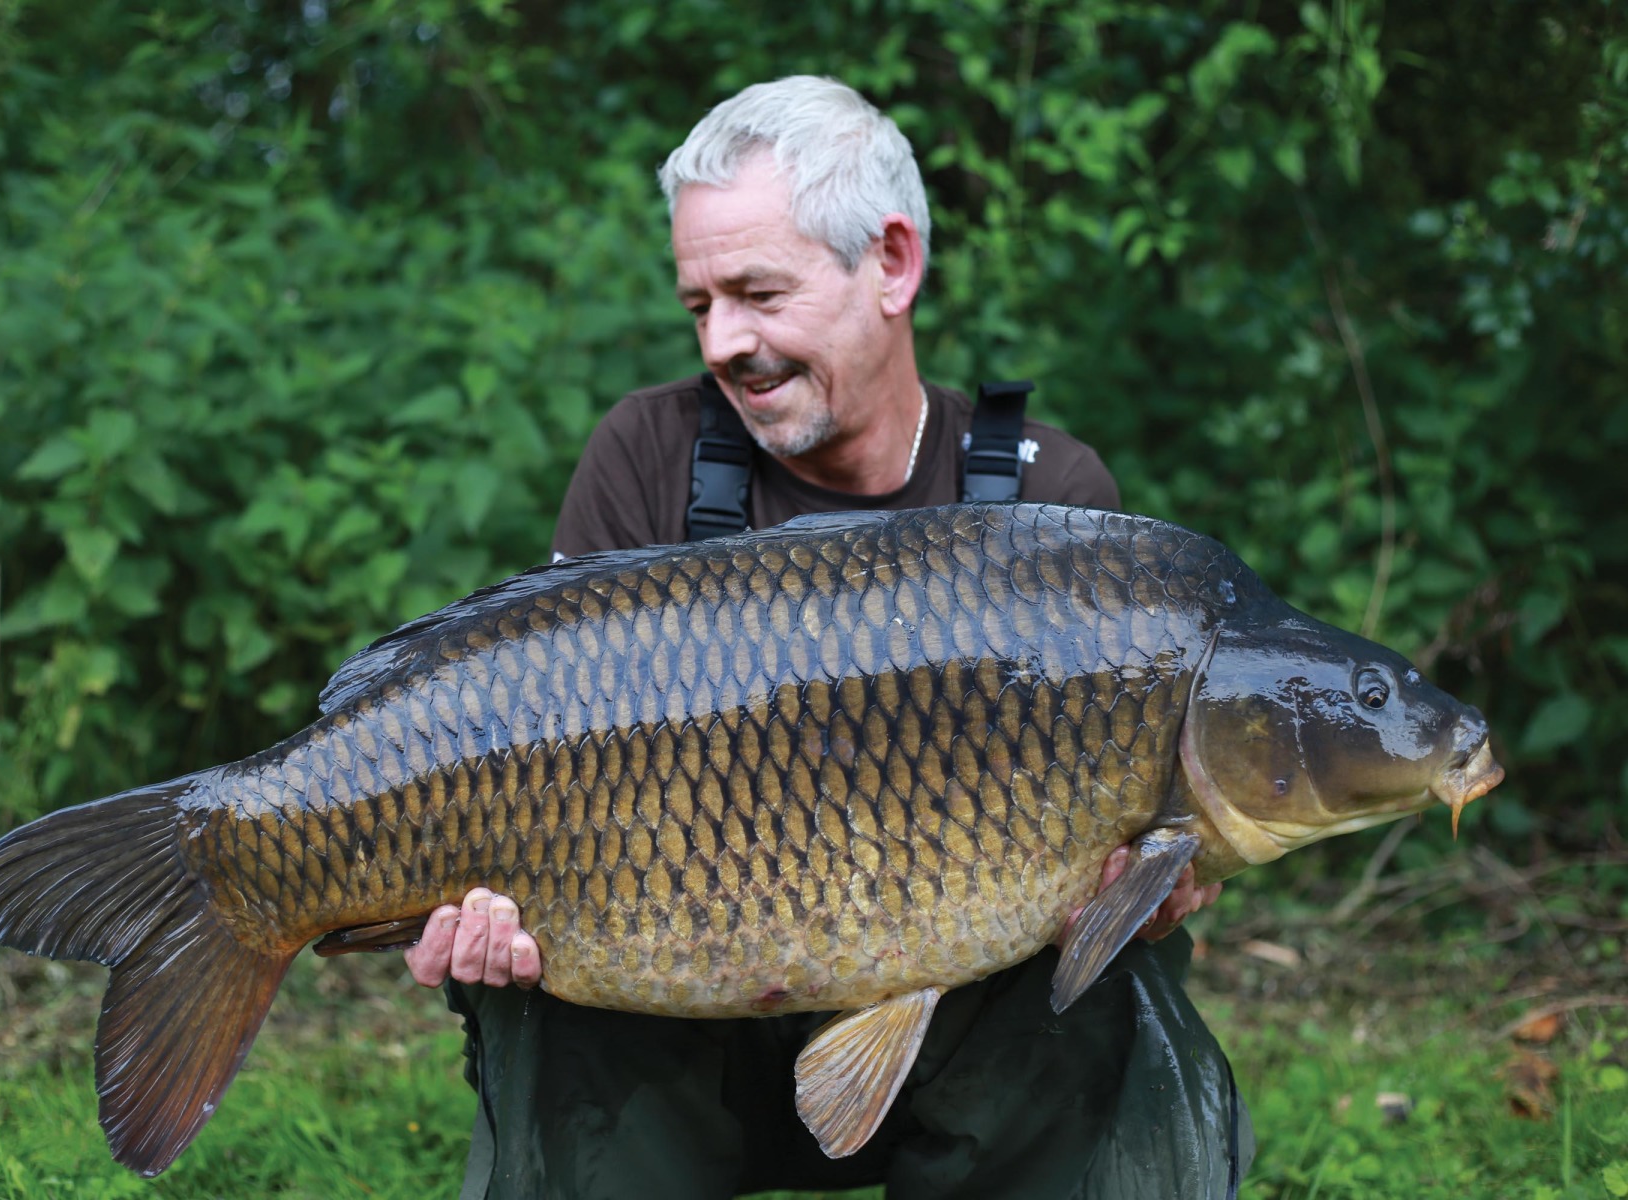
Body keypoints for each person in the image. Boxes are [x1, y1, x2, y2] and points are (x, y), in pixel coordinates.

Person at [405, 76, 1249, 1199]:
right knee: (543, 989)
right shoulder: (647, 458)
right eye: (698, 303)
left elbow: (1134, 855)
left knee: (1107, 996)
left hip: (964, 1032)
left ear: (892, 263)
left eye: (757, 292)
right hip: (680, 1011)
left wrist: (1156, 887)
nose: (724, 341)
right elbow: (522, 743)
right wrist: (454, 917)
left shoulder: (1053, 507)